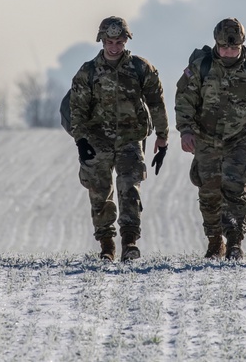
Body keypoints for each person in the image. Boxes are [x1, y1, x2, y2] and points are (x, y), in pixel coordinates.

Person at [175, 18, 246, 261]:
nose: (228, 53)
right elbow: (184, 99)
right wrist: (186, 131)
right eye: (224, 48)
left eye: (234, 49)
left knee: (235, 190)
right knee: (209, 193)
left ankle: (234, 242)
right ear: (216, 44)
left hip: (241, 139)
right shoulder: (201, 66)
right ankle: (215, 242)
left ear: (242, 46)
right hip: (206, 139)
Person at [67, 17, 170, 262]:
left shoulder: (140, 68)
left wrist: (163, 137)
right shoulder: (88, 71)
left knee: (129, 189)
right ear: (102, 41)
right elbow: (77, 109)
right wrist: (81, 141)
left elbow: (157, 103)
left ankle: (130, 242)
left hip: (130, 139)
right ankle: (106, 245)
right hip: (96, 140)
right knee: (99, 193)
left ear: (126, 41)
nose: (114, 47)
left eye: (119, 42)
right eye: (110, 42)